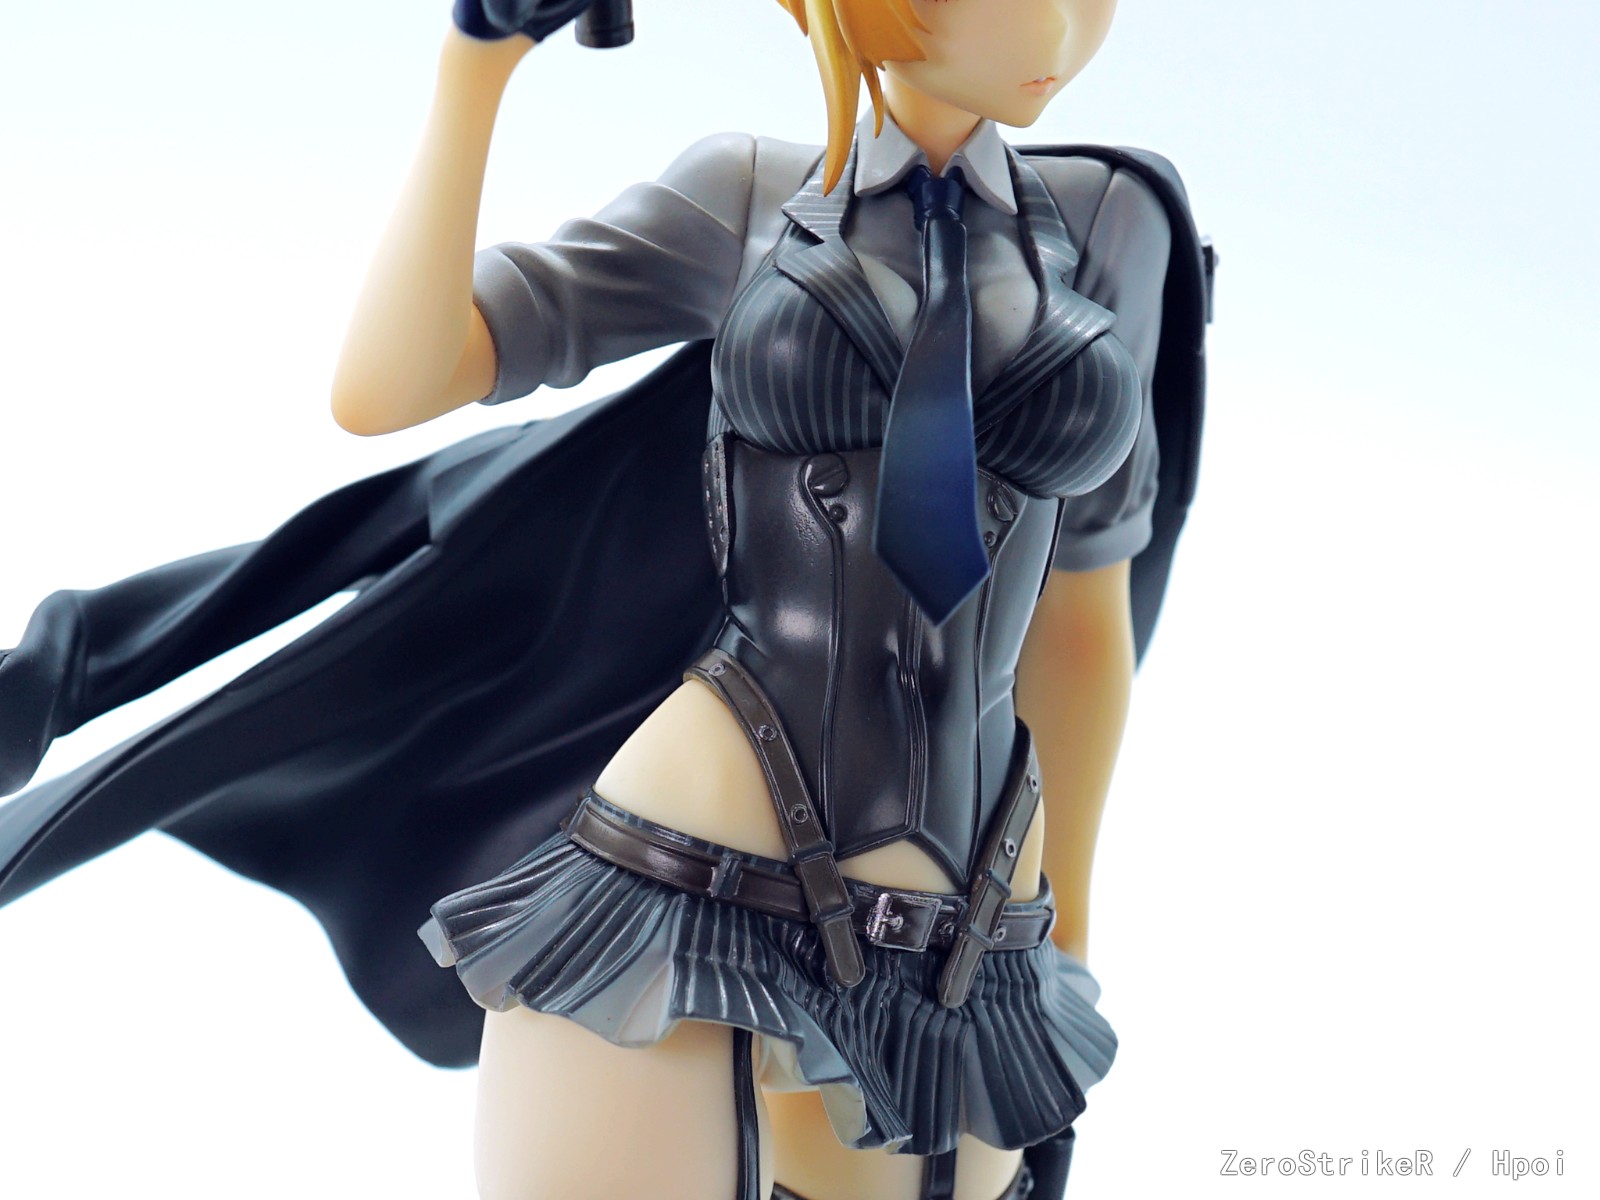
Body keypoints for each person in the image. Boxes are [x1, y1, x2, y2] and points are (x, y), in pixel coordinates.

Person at [0, 2, 1208, 1198]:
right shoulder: (745, 195)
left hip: (969, 921)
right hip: (687, 875)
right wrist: (476, 70)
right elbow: (387, 384)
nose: (1065, 29)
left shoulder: (1113, 226)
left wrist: (1064, 942)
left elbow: (1079, 625)